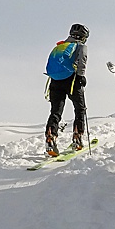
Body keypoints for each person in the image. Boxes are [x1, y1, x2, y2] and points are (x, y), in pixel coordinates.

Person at [44, 23, 89, 155]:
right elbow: (83, 60)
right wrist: (81, 77)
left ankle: (50, 137)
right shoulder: (81, 46)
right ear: (84, 36)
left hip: (55, 80)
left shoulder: (60, 46)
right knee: (80, 108)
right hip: (72, 80)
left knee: (56, 111)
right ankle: (78, 137)